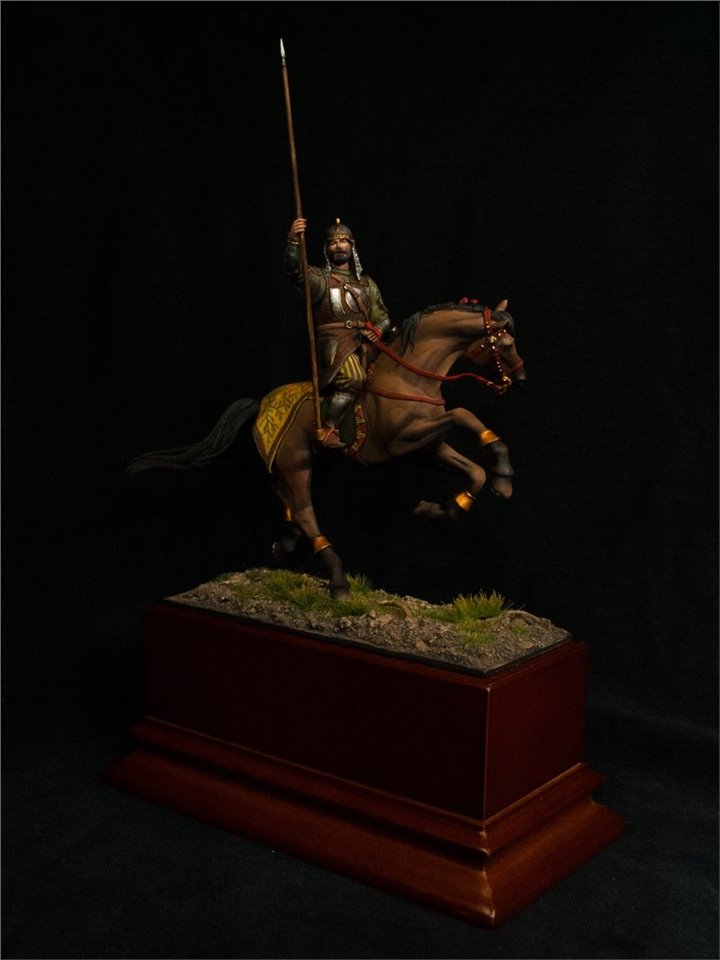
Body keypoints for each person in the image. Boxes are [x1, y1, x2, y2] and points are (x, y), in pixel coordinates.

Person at [286, 217, 391, 448]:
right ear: (326, 249)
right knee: (353, 378)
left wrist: (378, 330)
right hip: (334, 343)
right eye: (333, 242)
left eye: (343, 241)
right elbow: (297, 272)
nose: (338, 246)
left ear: (352, 246)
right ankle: (328, 428)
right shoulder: (319, 279)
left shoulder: (367, 284)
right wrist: (293, 241)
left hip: (364, 344)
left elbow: (382, 317)